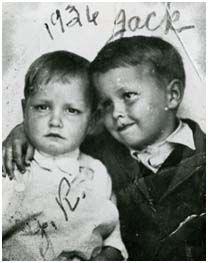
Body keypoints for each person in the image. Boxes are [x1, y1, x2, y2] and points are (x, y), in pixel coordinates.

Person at [3, 36, 205, 260]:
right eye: (106, 104)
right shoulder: (98, 151)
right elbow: (59, 127)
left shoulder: (203, 159)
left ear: (173, 94)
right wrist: (24, 130)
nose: (115, 112)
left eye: (128, 96)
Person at [2, 50, 127, 261]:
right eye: (42, 107)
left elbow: (113, 236)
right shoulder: (11, 165)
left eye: (72, 111)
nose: (55, 121)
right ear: (25, 110)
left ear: (93, 120)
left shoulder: (97, 172)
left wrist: (108, 255)